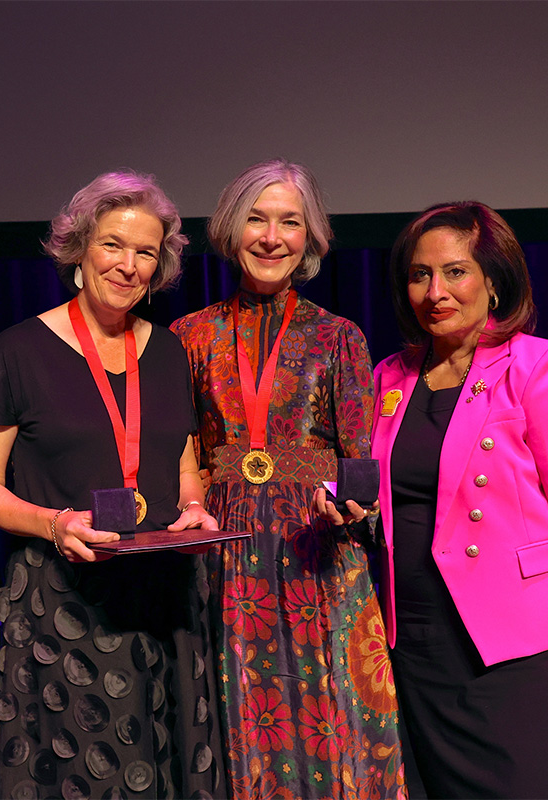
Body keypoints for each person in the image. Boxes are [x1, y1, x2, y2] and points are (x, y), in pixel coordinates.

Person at [0, 171, 226, 799]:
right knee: (89, 769)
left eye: (146, 251)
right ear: (79, 248)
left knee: (171, 762)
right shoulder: (18, 350)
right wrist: (55, 524)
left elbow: (184, 464)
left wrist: (193, 506)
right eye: (113, 244)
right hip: (68, 594)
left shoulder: (167, 351)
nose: (129, 265)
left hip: (165, 588)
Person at [369, 201, 548, 798]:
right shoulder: (389, 377)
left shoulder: (536, 369)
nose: (436, 291)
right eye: (419, 274)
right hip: (417, 647)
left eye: (456, 271)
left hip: (517, 655)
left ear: (494, 280)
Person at [170, 160, 406, 800]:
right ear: (229, 228)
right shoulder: (189, 335)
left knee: (331, 710)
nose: (271, 237)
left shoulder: (338, 337)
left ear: (310, 238)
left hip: (316, 547)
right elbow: (181, 453)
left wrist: (355, 509)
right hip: (227, 548)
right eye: (256, 218)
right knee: (244, 709)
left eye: (290, 222)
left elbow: (362, 460)